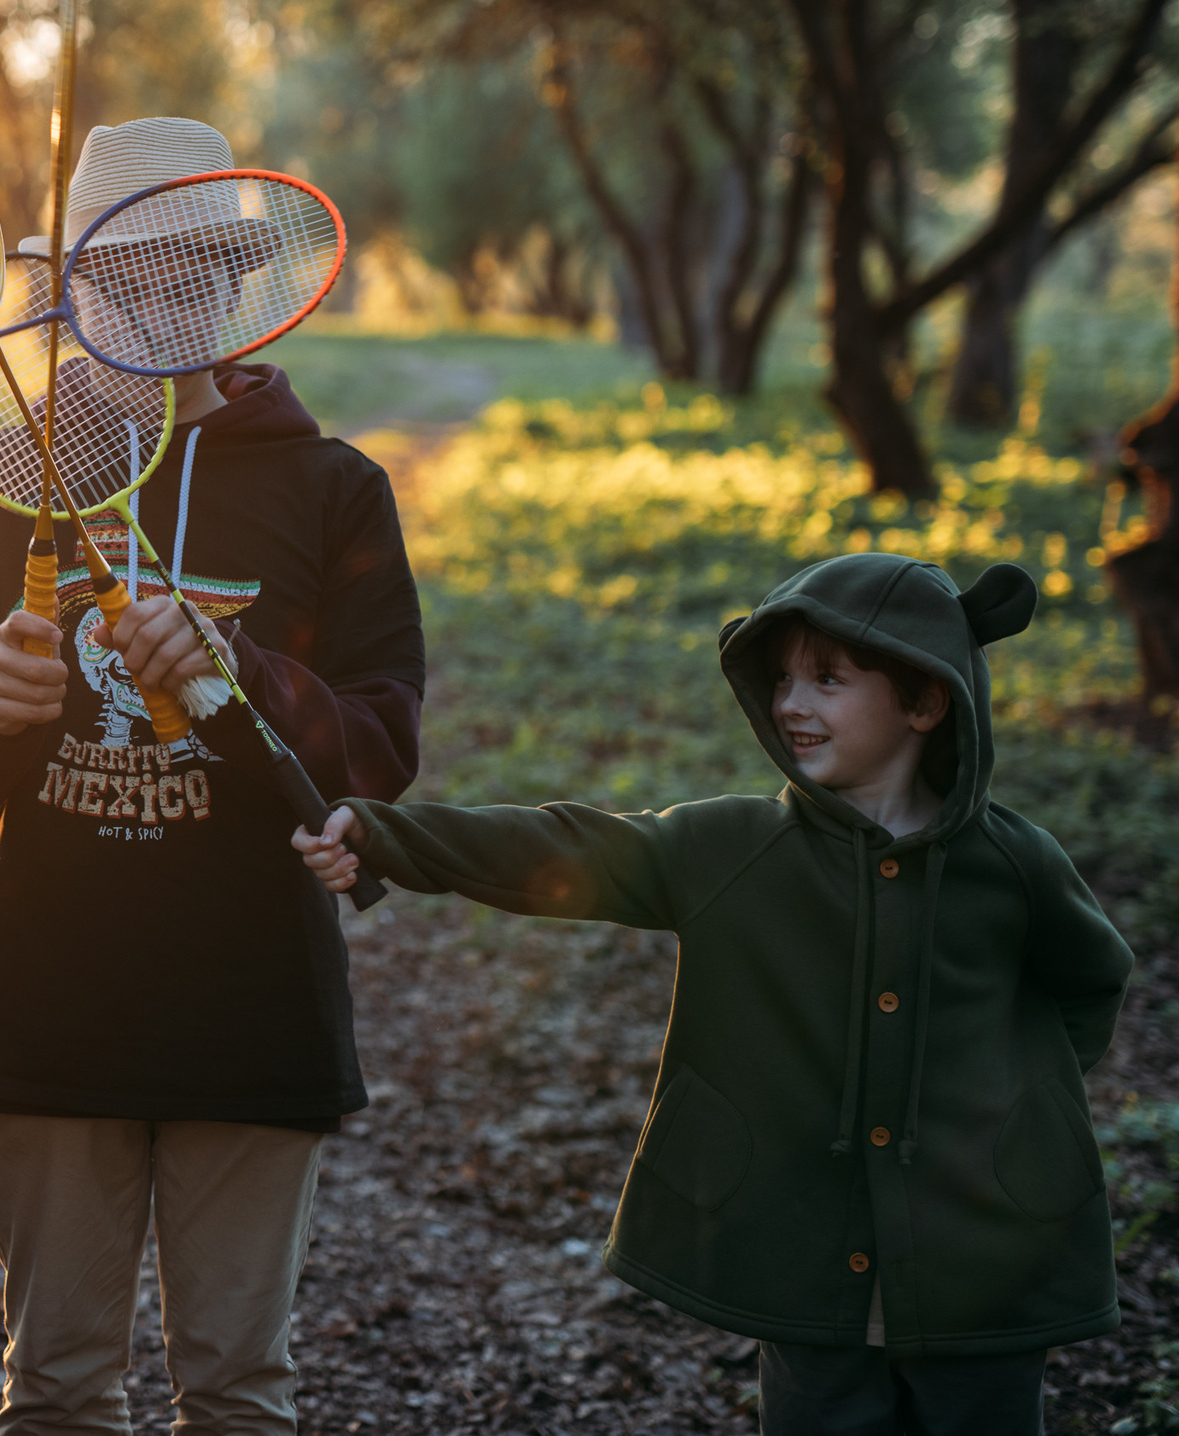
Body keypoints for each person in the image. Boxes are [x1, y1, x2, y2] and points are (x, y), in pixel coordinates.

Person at [294, 554, 1134, 1435]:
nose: (791, 704)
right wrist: (387, 832)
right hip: (804, 1265)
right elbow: (569, 846)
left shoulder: (1013, 863)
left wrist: (1018, 1110)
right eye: (782, 679)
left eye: (828, 679)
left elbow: (1092, 982)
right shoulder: (736, 848)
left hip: (985, 1266)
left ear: (926, 702)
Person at [0, 118, 428, 1434]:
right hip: (49, 1002)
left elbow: (381, 749)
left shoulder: (333, 489)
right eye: (132, 276)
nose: (169, 308)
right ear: (73, 288)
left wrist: (240, 673)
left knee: (237, 1389)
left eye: (199, 277)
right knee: (59, 1389)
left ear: (241, 285)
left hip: (256, 1007)